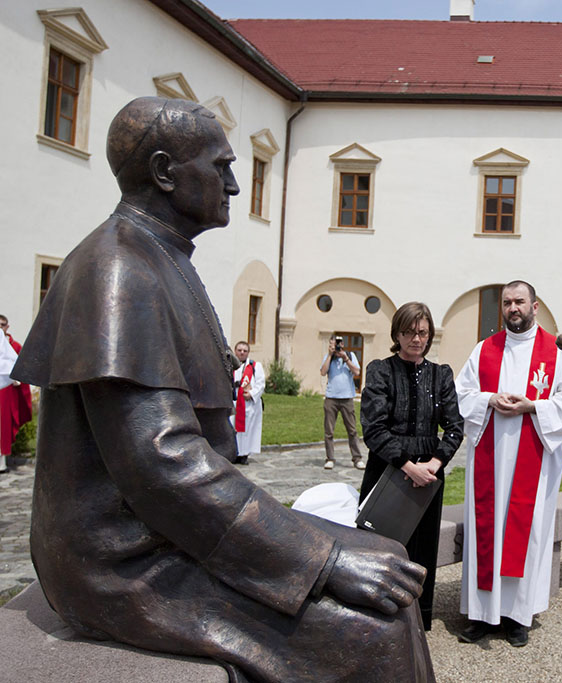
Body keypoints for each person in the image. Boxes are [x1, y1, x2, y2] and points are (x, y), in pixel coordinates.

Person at [10, 97, 432, 682]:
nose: (235, 185)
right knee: (371, 624)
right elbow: (162, 465)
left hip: (166, 533)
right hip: (123, 559)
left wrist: (316, 553)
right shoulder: (117, 268)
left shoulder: (159, 255)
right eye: (220, 166)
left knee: (390, 558)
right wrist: (323, 560)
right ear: (164, 173)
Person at [455, 280, 562, 647]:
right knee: (486, 529)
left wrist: (531, 406)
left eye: (519, 302)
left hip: (532, 462)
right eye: (507, 303)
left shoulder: (554, 352)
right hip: (489, 458)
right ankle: (481, 615)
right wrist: (490, 400)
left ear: (534, 306)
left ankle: (518, 616)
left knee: (529, 531)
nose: (513, 309)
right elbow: (462, 394)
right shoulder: (484, 349)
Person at [359, 302, 464, 631]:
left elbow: (455, 426)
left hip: (430, 472)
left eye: (422, 332)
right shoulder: (380, 371)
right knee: (383, 546)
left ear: (430, 334)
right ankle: (379, 617)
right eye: (409, 332)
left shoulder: (440, 374)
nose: (416, 339)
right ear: (397, 334)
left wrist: (433, 463)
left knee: (421, 547)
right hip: (389, 468)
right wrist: (408, 465)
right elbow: (373, 428)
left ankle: (417, 620)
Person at [321, 334, 364, 470]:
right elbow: (323, 372)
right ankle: (330, 458)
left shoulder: (350, 356)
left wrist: (345, 358)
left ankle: (357, 458)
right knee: (329, 431)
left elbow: (357, 371)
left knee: (352, 430)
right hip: (331, 397)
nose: (337, 346)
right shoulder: (329, 357)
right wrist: (329, 355)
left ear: (343, 345)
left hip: (347, 398)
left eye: (338, 343)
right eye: (334, 344)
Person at [0, 315, 32, 473]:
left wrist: (15, 379)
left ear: (7, 326)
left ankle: (1, 463)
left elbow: (16, 368)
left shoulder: (13, 346)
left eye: (2, 325)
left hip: (5, 392)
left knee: (2, 426)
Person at [231, 341, 265, 465]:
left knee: (247, 430)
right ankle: (234, 453)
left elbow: (261, 384)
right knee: (233, 428)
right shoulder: (229, 366)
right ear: (235, 351)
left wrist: (251, 394)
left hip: (249, 404)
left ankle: (244, 454)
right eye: (239, 350)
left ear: (248, 353)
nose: (242, 353)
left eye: (245, 351)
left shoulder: (255, 366)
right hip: (234, 402)